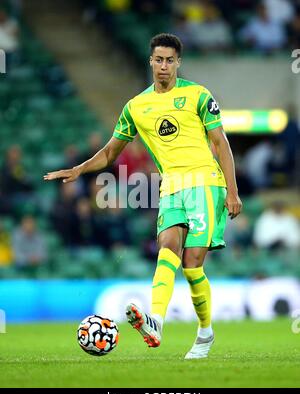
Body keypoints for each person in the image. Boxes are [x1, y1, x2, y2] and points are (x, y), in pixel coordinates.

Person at [44, 33, 242, 359]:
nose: (163, 66)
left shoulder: (198, 95)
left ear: (177, 62)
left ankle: (205, 333)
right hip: (170, 188)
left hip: (206, 183)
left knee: (192, 265)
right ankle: (157, 323)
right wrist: (79, 169)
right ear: (150, 61)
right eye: (158, 59)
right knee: (167, 247)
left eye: (169, 60)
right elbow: (110, 152)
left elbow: (221, 143)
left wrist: (232, 191)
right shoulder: (136, 106)